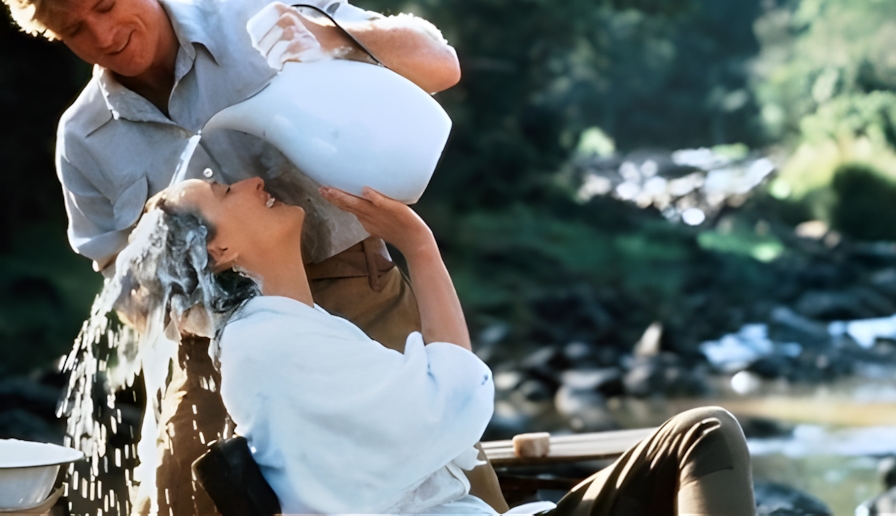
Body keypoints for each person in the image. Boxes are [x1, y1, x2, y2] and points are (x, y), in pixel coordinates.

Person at [0, 0, 508, 514]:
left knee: (446, 464)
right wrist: (207, 305)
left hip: (354, 290)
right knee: (178, 497)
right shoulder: (84, 139)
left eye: (106, 5)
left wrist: (332, 39)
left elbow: (439, 64)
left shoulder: (258, 14)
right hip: (212, 344)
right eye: (74, 29)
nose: (103, 35)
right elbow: (123, 285)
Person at [117, 176, 758, 515]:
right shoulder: (269, 348)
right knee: (705, 434)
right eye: (225, 192)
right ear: (221, 250)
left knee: (699, 438)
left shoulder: (285, 333)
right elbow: (453, 401)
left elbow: (441, 404)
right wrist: (420, 248)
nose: (252, 180)